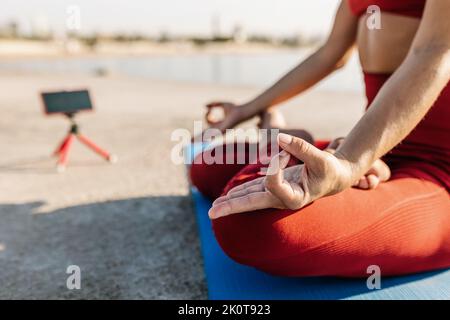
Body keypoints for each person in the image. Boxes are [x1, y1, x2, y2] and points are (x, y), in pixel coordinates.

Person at [190, 0, 450, 277]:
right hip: (376, 147)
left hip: (440, 170)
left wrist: (350, 163)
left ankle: (282, 140)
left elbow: (434, 50)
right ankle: (284, 142)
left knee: (248, 225)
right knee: (209, 166)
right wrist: (245, 109)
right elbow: (328, 55)